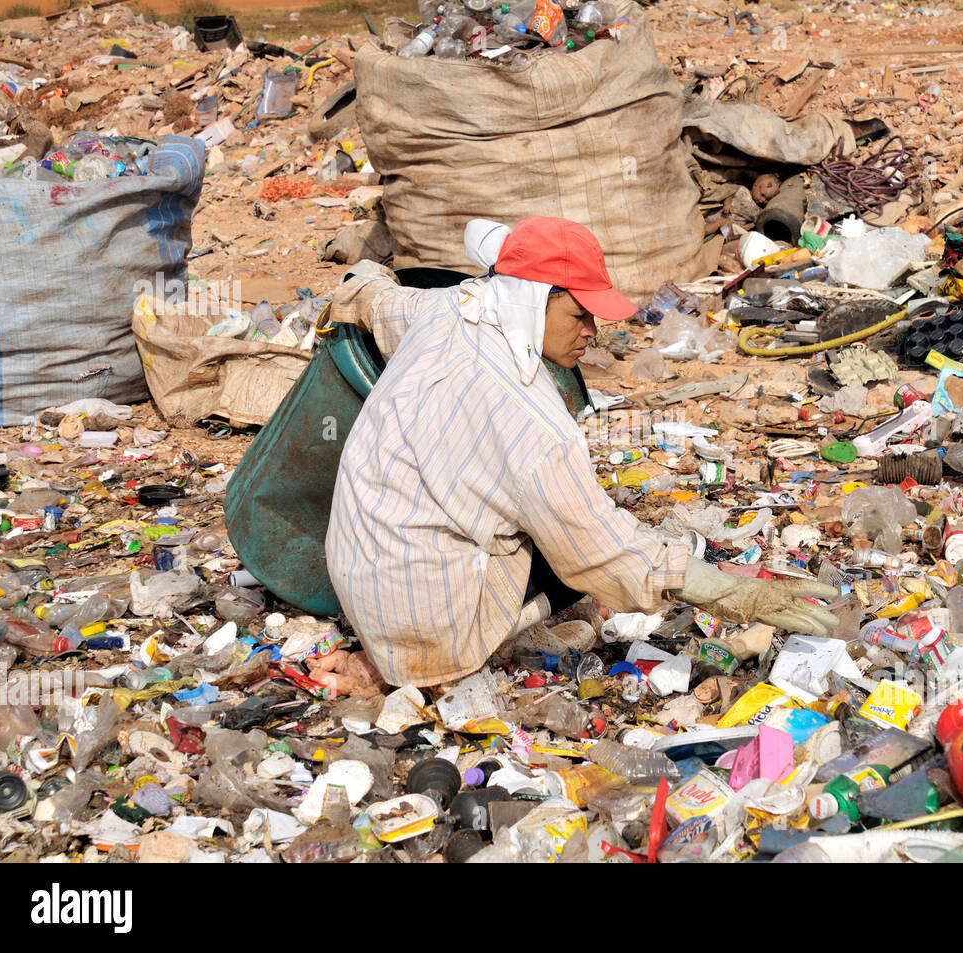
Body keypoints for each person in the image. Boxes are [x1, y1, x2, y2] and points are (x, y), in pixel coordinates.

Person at [324, 217, 838, 691]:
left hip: (359, 563)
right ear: (530, 299)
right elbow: (601, 549)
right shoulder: (532, 423)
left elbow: (379, 301)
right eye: (578, 314)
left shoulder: (453, 307)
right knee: (581, 574)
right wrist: (734, 594)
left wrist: (363, 278)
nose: (590, 333)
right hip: (421, 621)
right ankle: (432, 666)